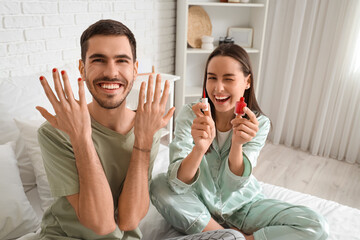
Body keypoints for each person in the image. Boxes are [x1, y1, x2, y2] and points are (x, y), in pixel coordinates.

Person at [150, 44, 329, 240]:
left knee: (316, 225)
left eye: (228, 79)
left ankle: (232, 238)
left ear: (247, 81)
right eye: (212, 78)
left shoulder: (259, 123)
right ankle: (226, 235)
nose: (218, 88)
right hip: (199, 202)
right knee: (159, 184)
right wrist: (200, 148)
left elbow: (232, 186)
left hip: (245, 207)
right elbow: (177, 185)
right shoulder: (190, 113)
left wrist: (237, 145)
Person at [36, 19, 175, 239]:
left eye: (122, 61)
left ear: (135, 69)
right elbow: (101, 225)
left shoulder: (148, 128)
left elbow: (129, 220)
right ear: (82, 68)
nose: (111, 72)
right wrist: (81, 137)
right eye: (99, 60)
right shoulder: (55, 132)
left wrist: (144, 140)